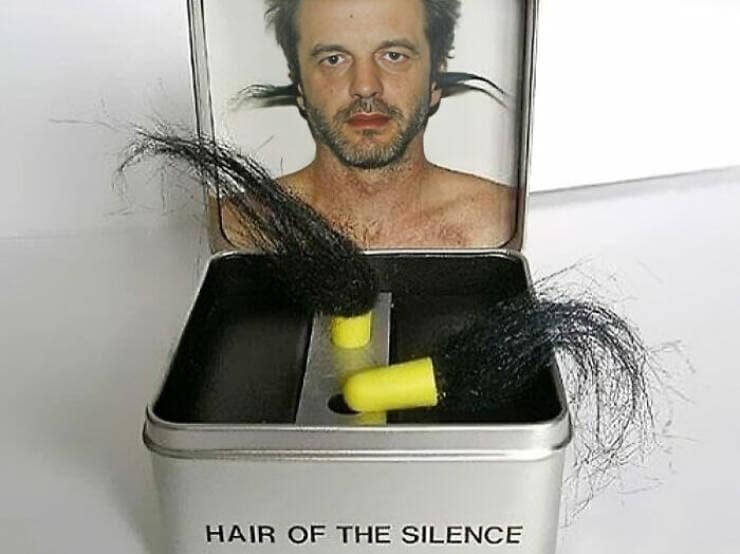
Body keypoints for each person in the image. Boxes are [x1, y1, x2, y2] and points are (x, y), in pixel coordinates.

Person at [216, 0, 516, 250]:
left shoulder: (503, 223)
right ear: (300, 87)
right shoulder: (233, 230)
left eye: (393, 56)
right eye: (334, 59)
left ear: (434, 80)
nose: (365, 86)